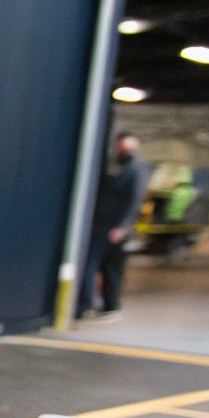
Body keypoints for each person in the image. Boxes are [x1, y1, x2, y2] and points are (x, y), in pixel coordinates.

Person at [79, 133, 152, 320]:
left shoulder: (135, 170)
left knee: (93, 264)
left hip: (111, 228)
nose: (121, 150)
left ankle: (88, 304)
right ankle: (108, 305)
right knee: (109, 267)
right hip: (109, 226)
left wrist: (122, 227)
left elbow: (134, 200)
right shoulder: (122, 168)